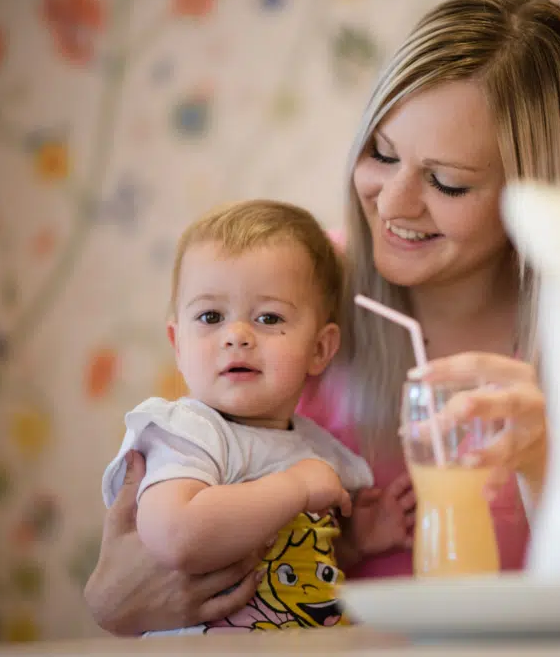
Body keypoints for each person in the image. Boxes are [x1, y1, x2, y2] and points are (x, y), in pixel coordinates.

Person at [84, 0, 560, 635]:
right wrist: (114, 601)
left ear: (535, 190)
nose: (393, 203)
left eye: (447, 182)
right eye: (381, 154)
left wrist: (542, 462)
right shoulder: (294, 296)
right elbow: (143, 564)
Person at [99, 199, 374, 634]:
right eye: (211, 316)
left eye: (268, 317)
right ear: (178, 342)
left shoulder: (318, 449)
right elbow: (176, 535)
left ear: (320, 349)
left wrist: (364, 540)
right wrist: (297, 487)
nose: (236, 336)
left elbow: (307, 556)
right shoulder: (189, 432)